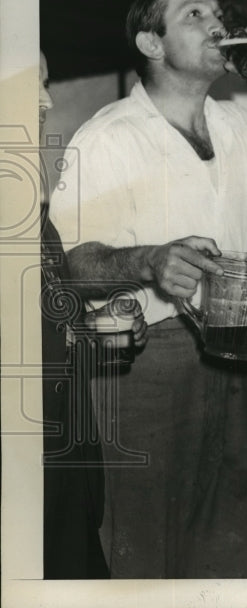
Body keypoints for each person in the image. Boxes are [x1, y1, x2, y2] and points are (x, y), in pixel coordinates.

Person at [47, 0, 247, 578]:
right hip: (142, 363)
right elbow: (69, 263)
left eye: (218, 13)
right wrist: (146, 261)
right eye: (193, 14)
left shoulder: (233, 124)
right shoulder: (108, 136)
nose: (215, 24)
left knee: (227, 534)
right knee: (145, 543)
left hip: (230, 346)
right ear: (151, 42)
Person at [38, 51, 148, 579]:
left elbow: (44, 326)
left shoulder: (31, 210)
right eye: (28, 85)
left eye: (46, 81)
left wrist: (95, 333)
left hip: (63, 456)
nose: (46, 100)